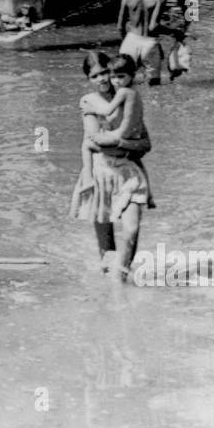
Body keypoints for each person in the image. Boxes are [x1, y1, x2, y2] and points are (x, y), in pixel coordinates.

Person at [70, 52, 152, 278]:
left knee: (131, 230)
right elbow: (94, 140)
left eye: (105, 72)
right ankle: (112, 296)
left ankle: (122, 278)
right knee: (106, 247)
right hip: (100, 172)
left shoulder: (128, 98)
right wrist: (126, 145)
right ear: (89, 79)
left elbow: (146, 143)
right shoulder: (88, 101)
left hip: (129, 172)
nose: (103, 79)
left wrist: (120, 143)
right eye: (95, 75)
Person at [117, 0, 168, 86]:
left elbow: (120, 26)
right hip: (149, 44)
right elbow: (153, 27)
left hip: (130, 41)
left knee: (124, 86)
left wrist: (126, 41)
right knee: (154, 88)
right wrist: (175, 31)